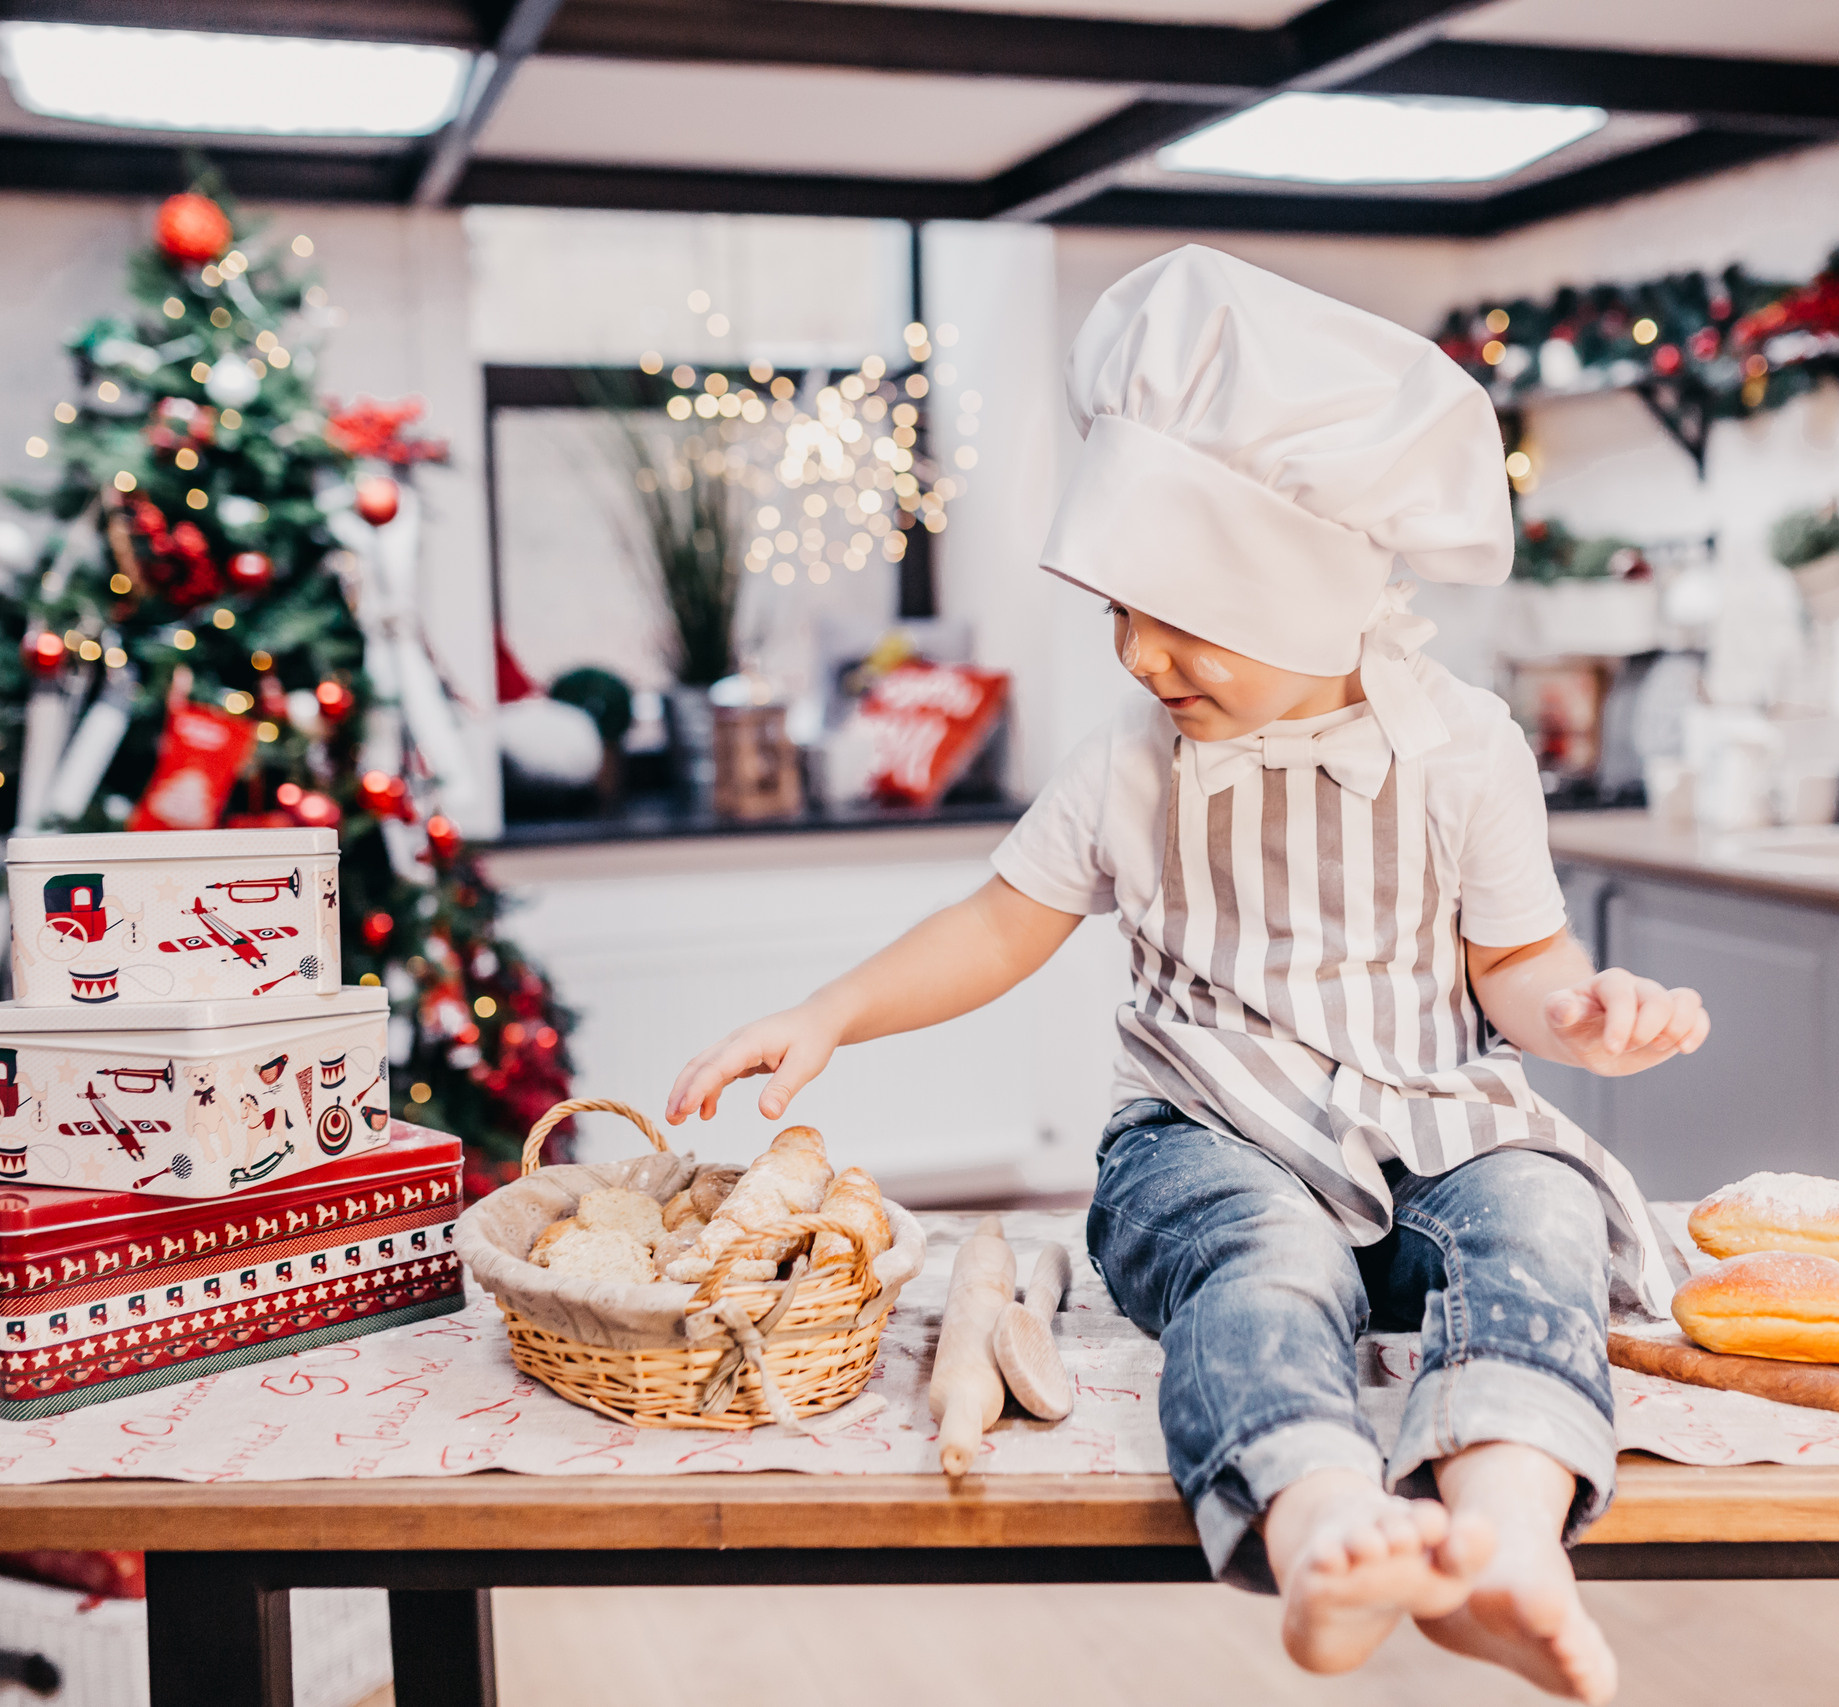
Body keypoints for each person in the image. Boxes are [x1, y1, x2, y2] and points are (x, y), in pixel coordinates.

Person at [667, 246, 1707, 1703]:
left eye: (1182, 614)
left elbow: (1517, 968)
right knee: (1263, 1262)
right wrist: (828, 1011)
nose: (1141, 653)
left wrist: (1580, 1017)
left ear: (1314, 589)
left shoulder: (1465, 751)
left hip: (1426, 1130)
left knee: (1533, 1205)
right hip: (1201, 1146)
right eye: (1118, 612)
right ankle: (1320, 1516)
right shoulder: (1133, 773)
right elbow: (996, 926)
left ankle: (1508, 1531)